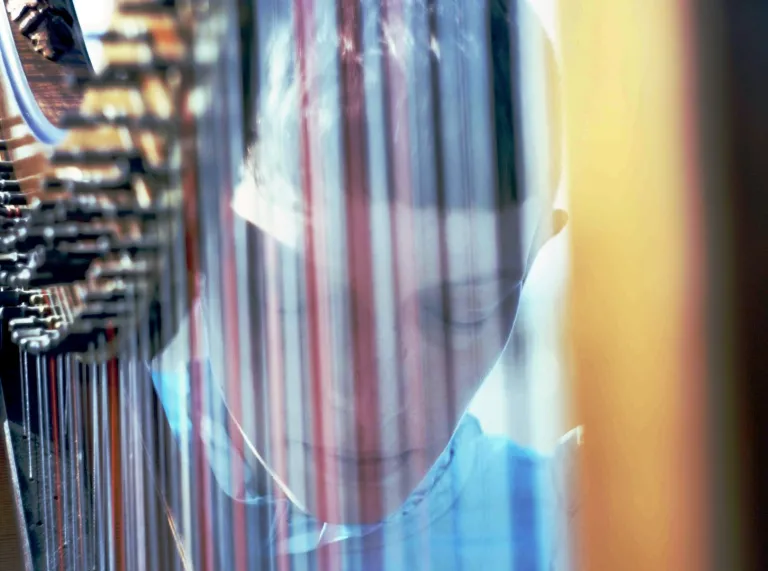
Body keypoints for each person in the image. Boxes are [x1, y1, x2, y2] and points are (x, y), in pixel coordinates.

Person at [151, 0, 579, 568]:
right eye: (299, 298)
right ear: (194, 237)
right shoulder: (94, 442)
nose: (374, 401)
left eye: (464, 308)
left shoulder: (569, 535)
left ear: (533, 258)